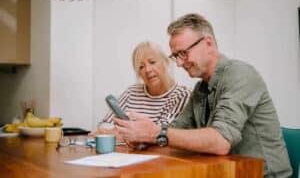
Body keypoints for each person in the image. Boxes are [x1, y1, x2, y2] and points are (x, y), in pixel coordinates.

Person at [113, 13, 292, 177]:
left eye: (184, 53)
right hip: (225, 172)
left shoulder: (241, 74)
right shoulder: (200, 89)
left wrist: (155, 134)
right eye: (176, 56)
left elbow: (221, 141)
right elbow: (177, 128)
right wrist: (144, 137)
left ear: (208, 43)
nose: (180, 63)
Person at [95, 41, 191, 136]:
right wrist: (126, 133)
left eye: (152, 62)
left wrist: (118, 132)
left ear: (165, 62)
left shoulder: (182, 95)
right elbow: (104, 125)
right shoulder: (131, 92)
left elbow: (162, 135)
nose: (147, 70)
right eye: (141, 67)